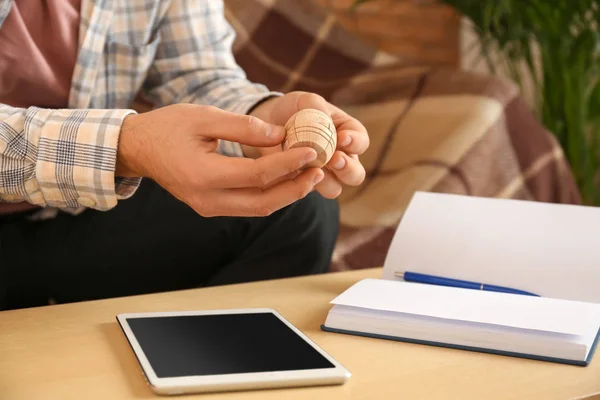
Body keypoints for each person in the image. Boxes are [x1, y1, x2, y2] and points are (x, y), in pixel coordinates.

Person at [0, 0, 369, 310]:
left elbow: (197, 75)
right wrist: (126, 146)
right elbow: (131, 146)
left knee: (299, 209)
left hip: (73, 216)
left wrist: (259, 120)